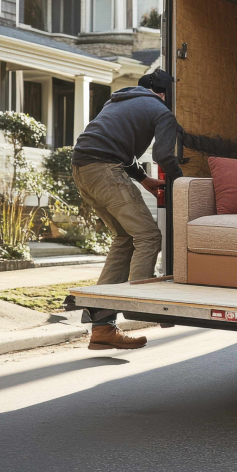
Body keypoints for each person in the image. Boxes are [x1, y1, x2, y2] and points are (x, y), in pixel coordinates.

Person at [70, 69, 182, 350]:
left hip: (81, 169)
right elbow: (164, 155)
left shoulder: (118, 101)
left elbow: (115, 145)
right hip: (105, 170)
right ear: (166, 93)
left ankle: (102, 328)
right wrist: (181, 182)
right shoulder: (161, 110)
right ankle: (139, 305)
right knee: (148, 236)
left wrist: (143, 179)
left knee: (125, 238)